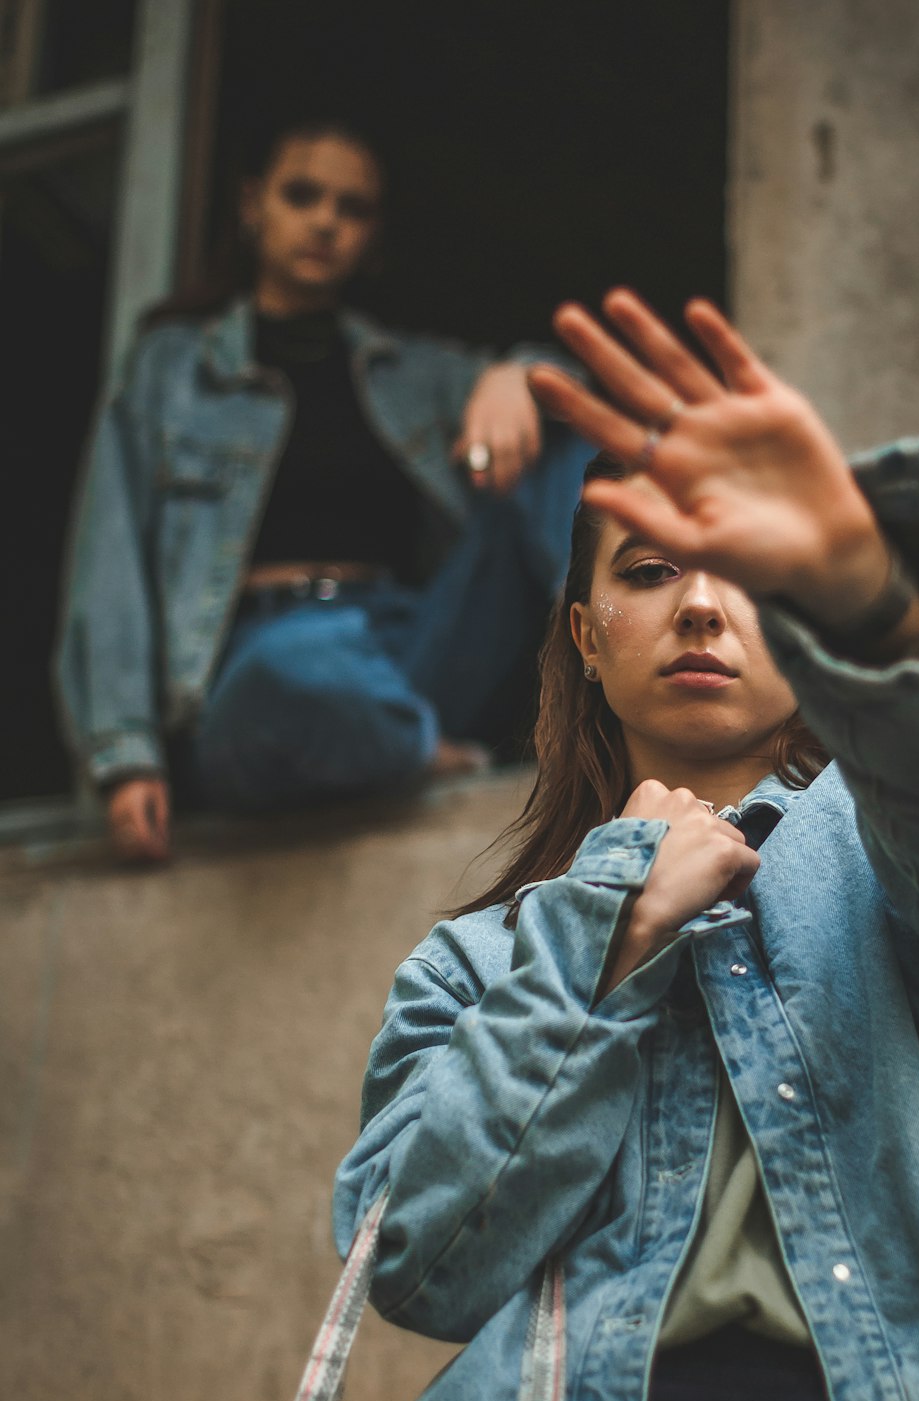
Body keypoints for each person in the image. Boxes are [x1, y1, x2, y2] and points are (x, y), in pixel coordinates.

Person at [333, 289, 919, 1401]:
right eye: (649, 569)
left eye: (742, 574)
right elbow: (418, 1264)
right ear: (584, 632)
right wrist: (608, 920)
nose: (698, 607)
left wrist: (864, 593)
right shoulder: (474, 962)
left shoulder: (904, 855)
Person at [56, 116, 588, 862]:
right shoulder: (171, 369)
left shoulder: (409, 370)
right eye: (303, 195)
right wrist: (124, 752)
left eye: (353, 208)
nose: (326, 222)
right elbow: (108, 560)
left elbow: (580, 397)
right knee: (293, 674)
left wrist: (518, 375)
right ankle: (414, 747)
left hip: (407, 646)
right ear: (253, 206)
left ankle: (609, 664)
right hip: (261, 662)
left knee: (560, 420)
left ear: (373, 236)